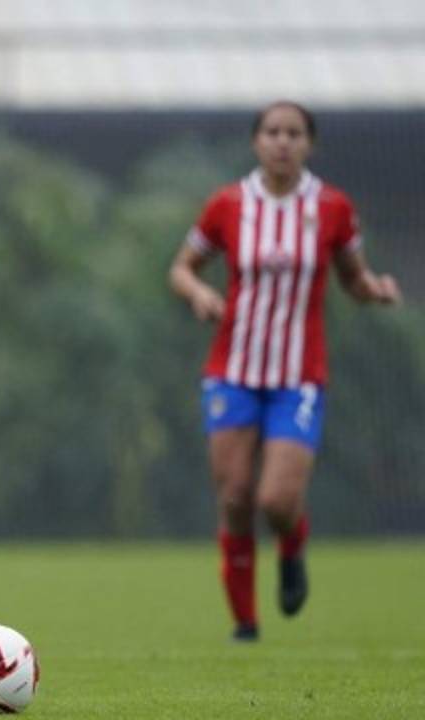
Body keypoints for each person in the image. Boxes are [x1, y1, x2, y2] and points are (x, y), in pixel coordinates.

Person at [169, 101, 401, 642]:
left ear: (309, 144)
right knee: (234, 497)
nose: (282, 142)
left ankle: (292, 546)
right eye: (272, 131)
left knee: (276, 500)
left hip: (299, 374)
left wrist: (376, 291)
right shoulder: (228, 205)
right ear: (256, 142)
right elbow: (181, 268)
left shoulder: (333, 208)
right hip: (232, 370)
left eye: (293, 133)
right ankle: (245, 623)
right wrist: (200, 291)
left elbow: (353, 278)